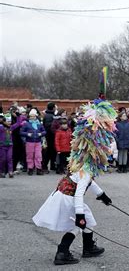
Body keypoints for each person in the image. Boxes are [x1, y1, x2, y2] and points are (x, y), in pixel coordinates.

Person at [32, 99, 115, 265]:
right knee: (78, 224)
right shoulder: (87, 168)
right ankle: (62, 253)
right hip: (68, 197)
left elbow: (86, 182)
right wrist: (79, 215)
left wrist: (102, 195)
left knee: (88, 220)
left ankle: (88, 247)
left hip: (63, 194)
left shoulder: (82, 160)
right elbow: (79, 191)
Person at [21, 109, 46, 175]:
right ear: (29, 117)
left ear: (36, 116)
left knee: (38, 156)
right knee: (30, 156)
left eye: (34, 116)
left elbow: (44, 131)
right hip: (29, 142)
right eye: (31, 116)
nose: (32, 117)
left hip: (38, 142)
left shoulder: (39, 124)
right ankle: (30, 169)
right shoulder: (26, 124)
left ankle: (38, 169)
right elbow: (21, 132)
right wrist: (27, 134)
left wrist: (41, 134)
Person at [0, 113, 20, 178]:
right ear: (4, 121)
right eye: (8, 121)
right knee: (3, 159)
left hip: (10, 146)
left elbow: (18, 123)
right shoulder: (1, 127)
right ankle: (2, 172)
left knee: (9, 159)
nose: (9, 123)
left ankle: (10, 171)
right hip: (2, 146)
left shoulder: (11, 127)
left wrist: (18, 116)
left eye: (10, 121)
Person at [42, 102, 57, 172]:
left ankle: (52, 165)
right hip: (50, 136)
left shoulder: (48, 115)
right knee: (48, 152)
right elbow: (48, 126)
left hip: (49, 136)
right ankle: (45, 166)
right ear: (53, 108)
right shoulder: (50, 116)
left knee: (51, 151)